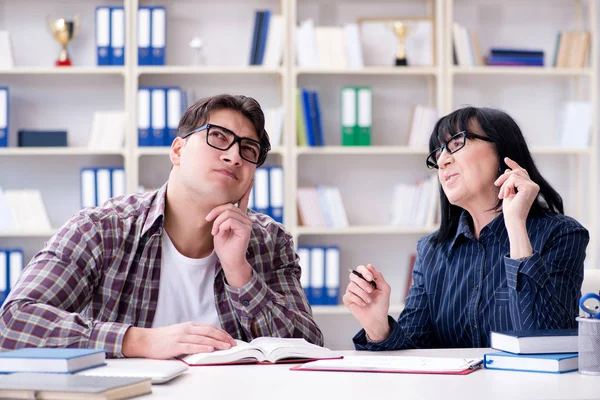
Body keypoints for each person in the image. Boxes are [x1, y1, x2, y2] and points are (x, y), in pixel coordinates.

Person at [0, 94, 323, 358]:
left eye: (248, 150)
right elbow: (13, 323)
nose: (234, 156)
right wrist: (138, 341)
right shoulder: (101, 229)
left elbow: (307, 346)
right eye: (218, 138)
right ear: (178, 150)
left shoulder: (269, 240)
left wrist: (239, 271)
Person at [343, 106, 589, 350]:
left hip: (529, 389)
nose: (442, 160)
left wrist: (516, 226)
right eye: (438, 152)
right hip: (452, 390)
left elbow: (547, 345)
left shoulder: (561, 234)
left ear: (503, 149)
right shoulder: (432, 251)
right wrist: (377, 327)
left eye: (456, 143)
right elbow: (414, 355)